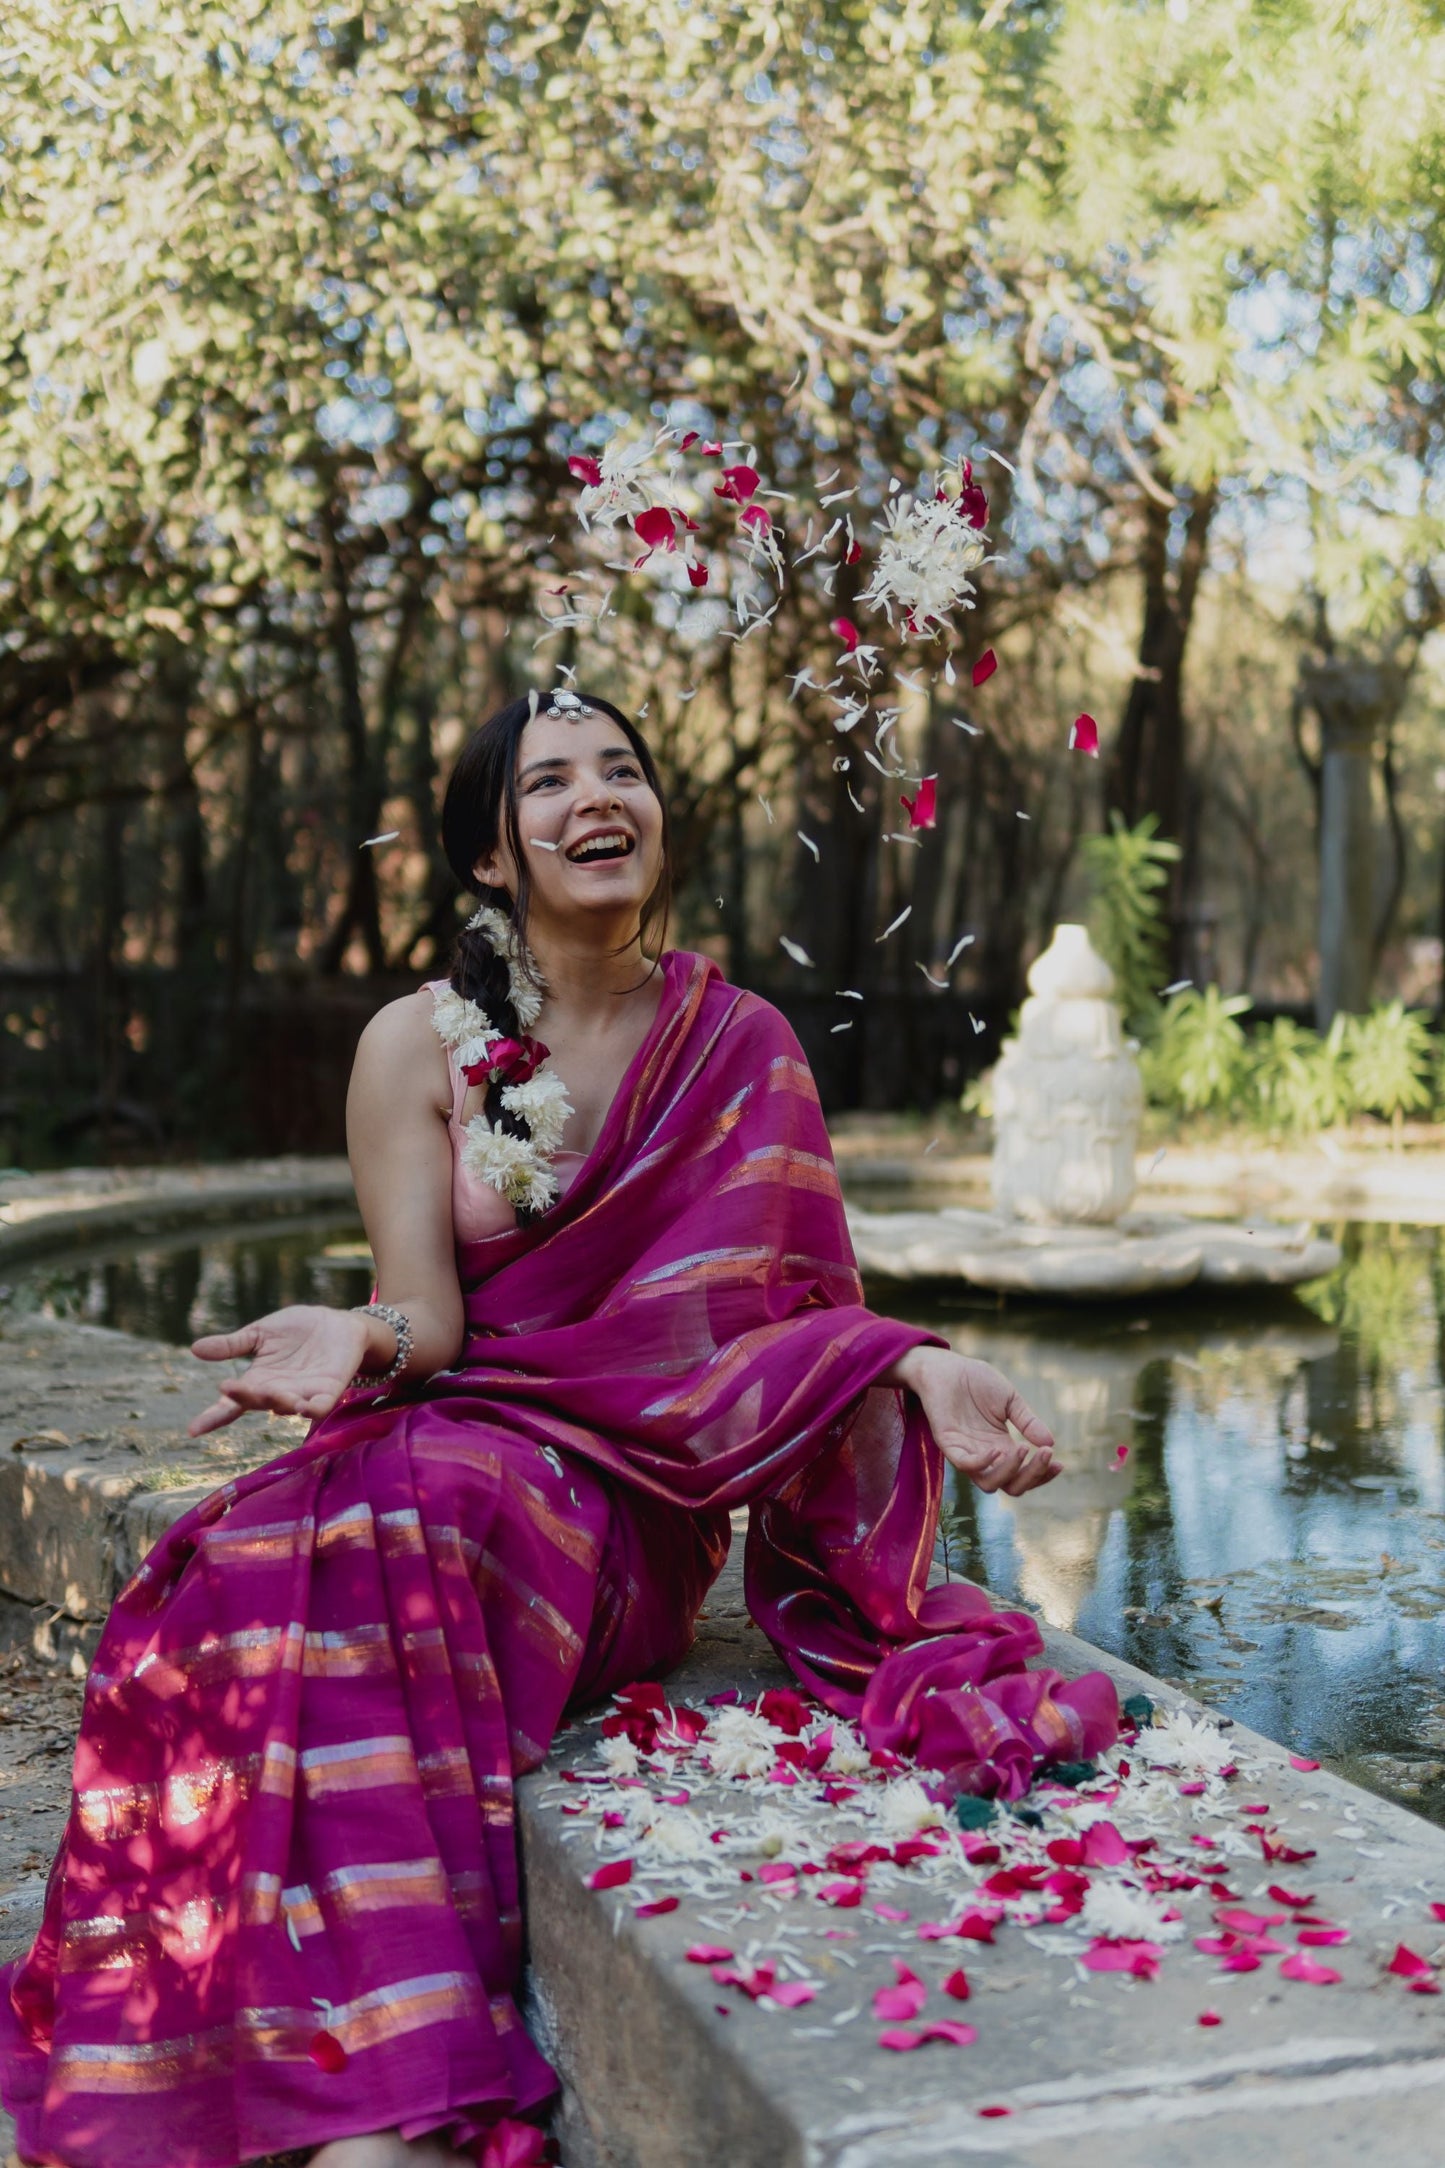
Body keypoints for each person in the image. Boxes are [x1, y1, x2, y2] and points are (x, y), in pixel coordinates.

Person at [0, 691, 1116, 2168]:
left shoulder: (745, 1045)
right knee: (220, 1586)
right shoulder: (417, 1047)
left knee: (415, 1526)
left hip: (621, 1508)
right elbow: (431, 1325)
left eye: (622, 770)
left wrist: (909, 1368)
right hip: (451, 1436)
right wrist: (358, 1338)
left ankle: (372, 2092)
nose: (597, 797)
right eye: (549, 783)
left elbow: (781, 1318)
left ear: (653, 816)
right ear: (488, 855)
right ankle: (328, 2070)